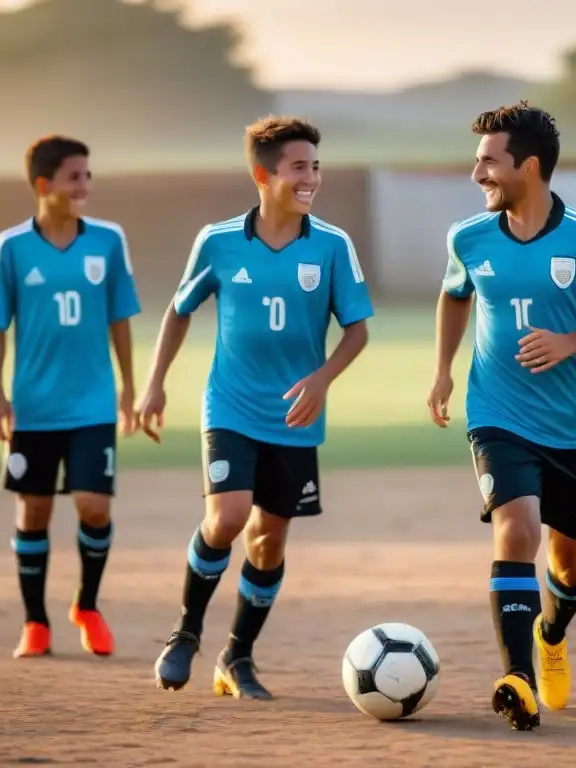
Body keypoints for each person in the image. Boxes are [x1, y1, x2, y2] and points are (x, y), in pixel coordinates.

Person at [426, 101, 576, 730]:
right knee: (516, 530)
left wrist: (570, 341)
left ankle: (551, 633)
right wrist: (443, 369)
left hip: (574, 423)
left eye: (488, 163)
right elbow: (452, 296)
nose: (477, 176)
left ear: (528, 165)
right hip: (495, 411)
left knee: (571, 560)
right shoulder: (467, 238)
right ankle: (517, 679)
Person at [137, 116, 373, 699]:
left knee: (268, 541)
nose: (312, 177)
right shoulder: (217, 241)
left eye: (316, 166)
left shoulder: (333, 245)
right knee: (227, 519)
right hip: (231, 407)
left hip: (295, 416)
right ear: (262, 175)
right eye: (299, 167)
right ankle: (185, 633)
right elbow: (179, 309)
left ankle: (236, 657)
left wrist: (321, 379)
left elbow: (358, 331)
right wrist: (154, 384)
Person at [0, 135, 141, 659]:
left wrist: (129, 387)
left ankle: (87, 606)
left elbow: (120, 318)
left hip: (92, 404)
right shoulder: (11, 247)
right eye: (75, 177)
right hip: (34, 407)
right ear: (44, 185)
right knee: (34, 512)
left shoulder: (109, 241)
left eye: (88, 175)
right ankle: (35, 623)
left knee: (93, 506)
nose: (85, 186)